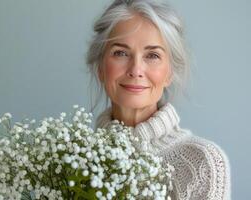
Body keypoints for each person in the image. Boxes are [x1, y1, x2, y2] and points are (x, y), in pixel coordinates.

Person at [85, 0, 231, 199]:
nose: (136, 70)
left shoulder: (202, 163)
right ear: (100, 67)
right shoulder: (69, 161)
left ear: (169, 72)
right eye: (120, 53)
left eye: (152, 55)